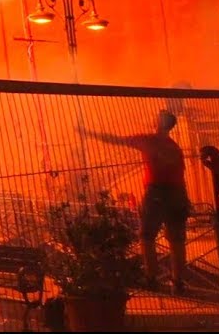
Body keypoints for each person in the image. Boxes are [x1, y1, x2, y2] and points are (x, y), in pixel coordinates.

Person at [81, 109, 191, 293]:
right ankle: (178, 282)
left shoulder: (148, 140)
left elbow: (115, 139)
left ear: (158, 122)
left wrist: (89, 133)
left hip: (156, 192)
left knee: (147, 236)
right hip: (178, 193)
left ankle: (151, 278)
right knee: (177, 239)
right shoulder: (175, 147)